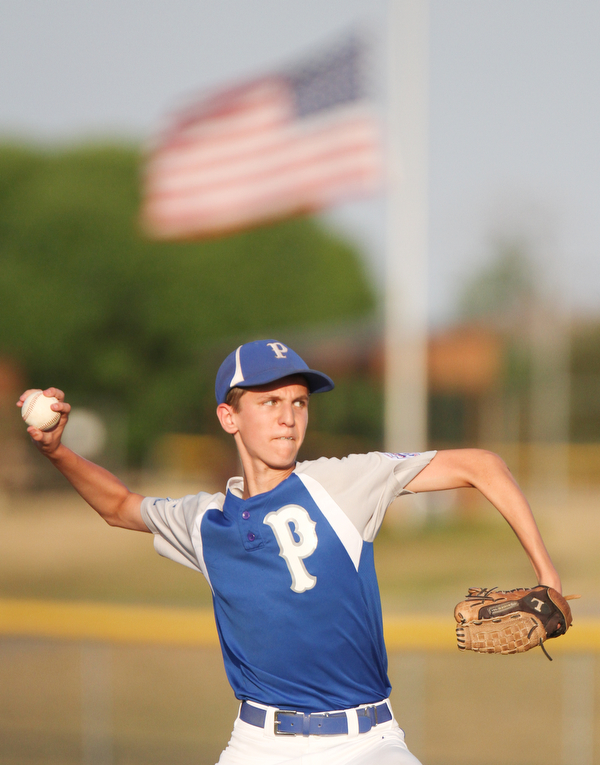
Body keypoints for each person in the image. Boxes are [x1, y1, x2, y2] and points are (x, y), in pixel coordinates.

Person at [18, 338, 561, 765]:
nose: (289, 416)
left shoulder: (345, 482)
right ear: (229, 418)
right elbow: (118, 506)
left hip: (366, 743)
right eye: (270, 401)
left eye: (299, 402)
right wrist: (57, 450)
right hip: (259, 745)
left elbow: (482, 465)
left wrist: (547, 574)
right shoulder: (205, 521)